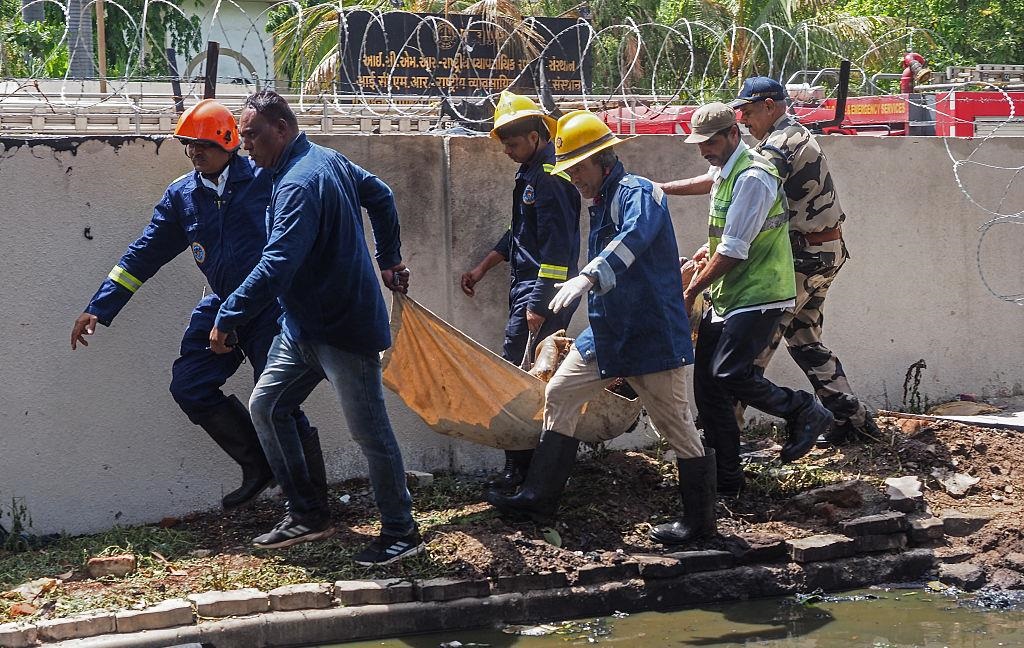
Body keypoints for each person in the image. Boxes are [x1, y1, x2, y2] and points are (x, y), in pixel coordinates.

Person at [70, 99, 319, 511]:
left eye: (202, 144)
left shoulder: (265, 178)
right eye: (188, 144)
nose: (193, 152)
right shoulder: (183, 196)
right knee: (190, 385)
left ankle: (311, 503)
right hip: (221, 307)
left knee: (279, 402)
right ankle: (259, 466)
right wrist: (100, 306)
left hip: (270, 307)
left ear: (228, 141)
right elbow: (143, 254)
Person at [208, 90, 421, 565]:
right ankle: (306, 513)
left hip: (344, 328)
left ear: (281, 129)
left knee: (371, 432)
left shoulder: (301, 182)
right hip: (302, 327)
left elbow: (278, 263)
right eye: (242, 139)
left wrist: (229, 314)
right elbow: (381, 196)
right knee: (266, 406)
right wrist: (389, 259)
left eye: (253, 136)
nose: (246, 147)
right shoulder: (317, 161)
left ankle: (402, 531)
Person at [487, 110, 717, 546]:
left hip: (650, 333)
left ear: (601, 159)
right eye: (568, 170)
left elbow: (633, 239)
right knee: (560, 393)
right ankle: (539, 496)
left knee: (676, 427)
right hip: (608, 330)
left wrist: (588, 276)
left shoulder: (639, 194)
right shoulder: (599, 200)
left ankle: (700, 524)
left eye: (577, 169)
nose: (573, 178)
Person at [661, 77, 878, 445]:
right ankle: (854, 420)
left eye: (746, 110)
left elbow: (746, 208)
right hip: (824, 252)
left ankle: (726, 433)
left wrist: (709, 251)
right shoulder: (786, 137)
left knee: (753, 343)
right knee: (804, 339)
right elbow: (716, 180)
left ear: (770, 106)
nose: (742, 118)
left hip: (802, 258)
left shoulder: (777, 148)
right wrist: (658, 188)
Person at [680, 102, 833, 496]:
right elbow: (727, 232)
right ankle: (728, 481)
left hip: (761, 293)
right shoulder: (726, 171)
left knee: (730, 374)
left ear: (734, 134)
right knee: (710, 390)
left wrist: (692, 290)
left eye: (710, 142)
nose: (704, 150)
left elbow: (734, 248)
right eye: (699, 143)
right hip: (731, 294)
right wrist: (703, 250)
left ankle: (802, 408)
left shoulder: (753, 176)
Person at [460, 91, 581, 492]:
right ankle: (531, 468)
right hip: (530, 287)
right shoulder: (531, 173)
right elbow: (522, 234)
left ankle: (525, 471)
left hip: (543, 292)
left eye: (512, 144)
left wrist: (538, 303)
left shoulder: (550, 177)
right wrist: (483, 267)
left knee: (522, 381)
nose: (508, 151)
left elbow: (557, 249)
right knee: (530, 378)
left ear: (534, 136)